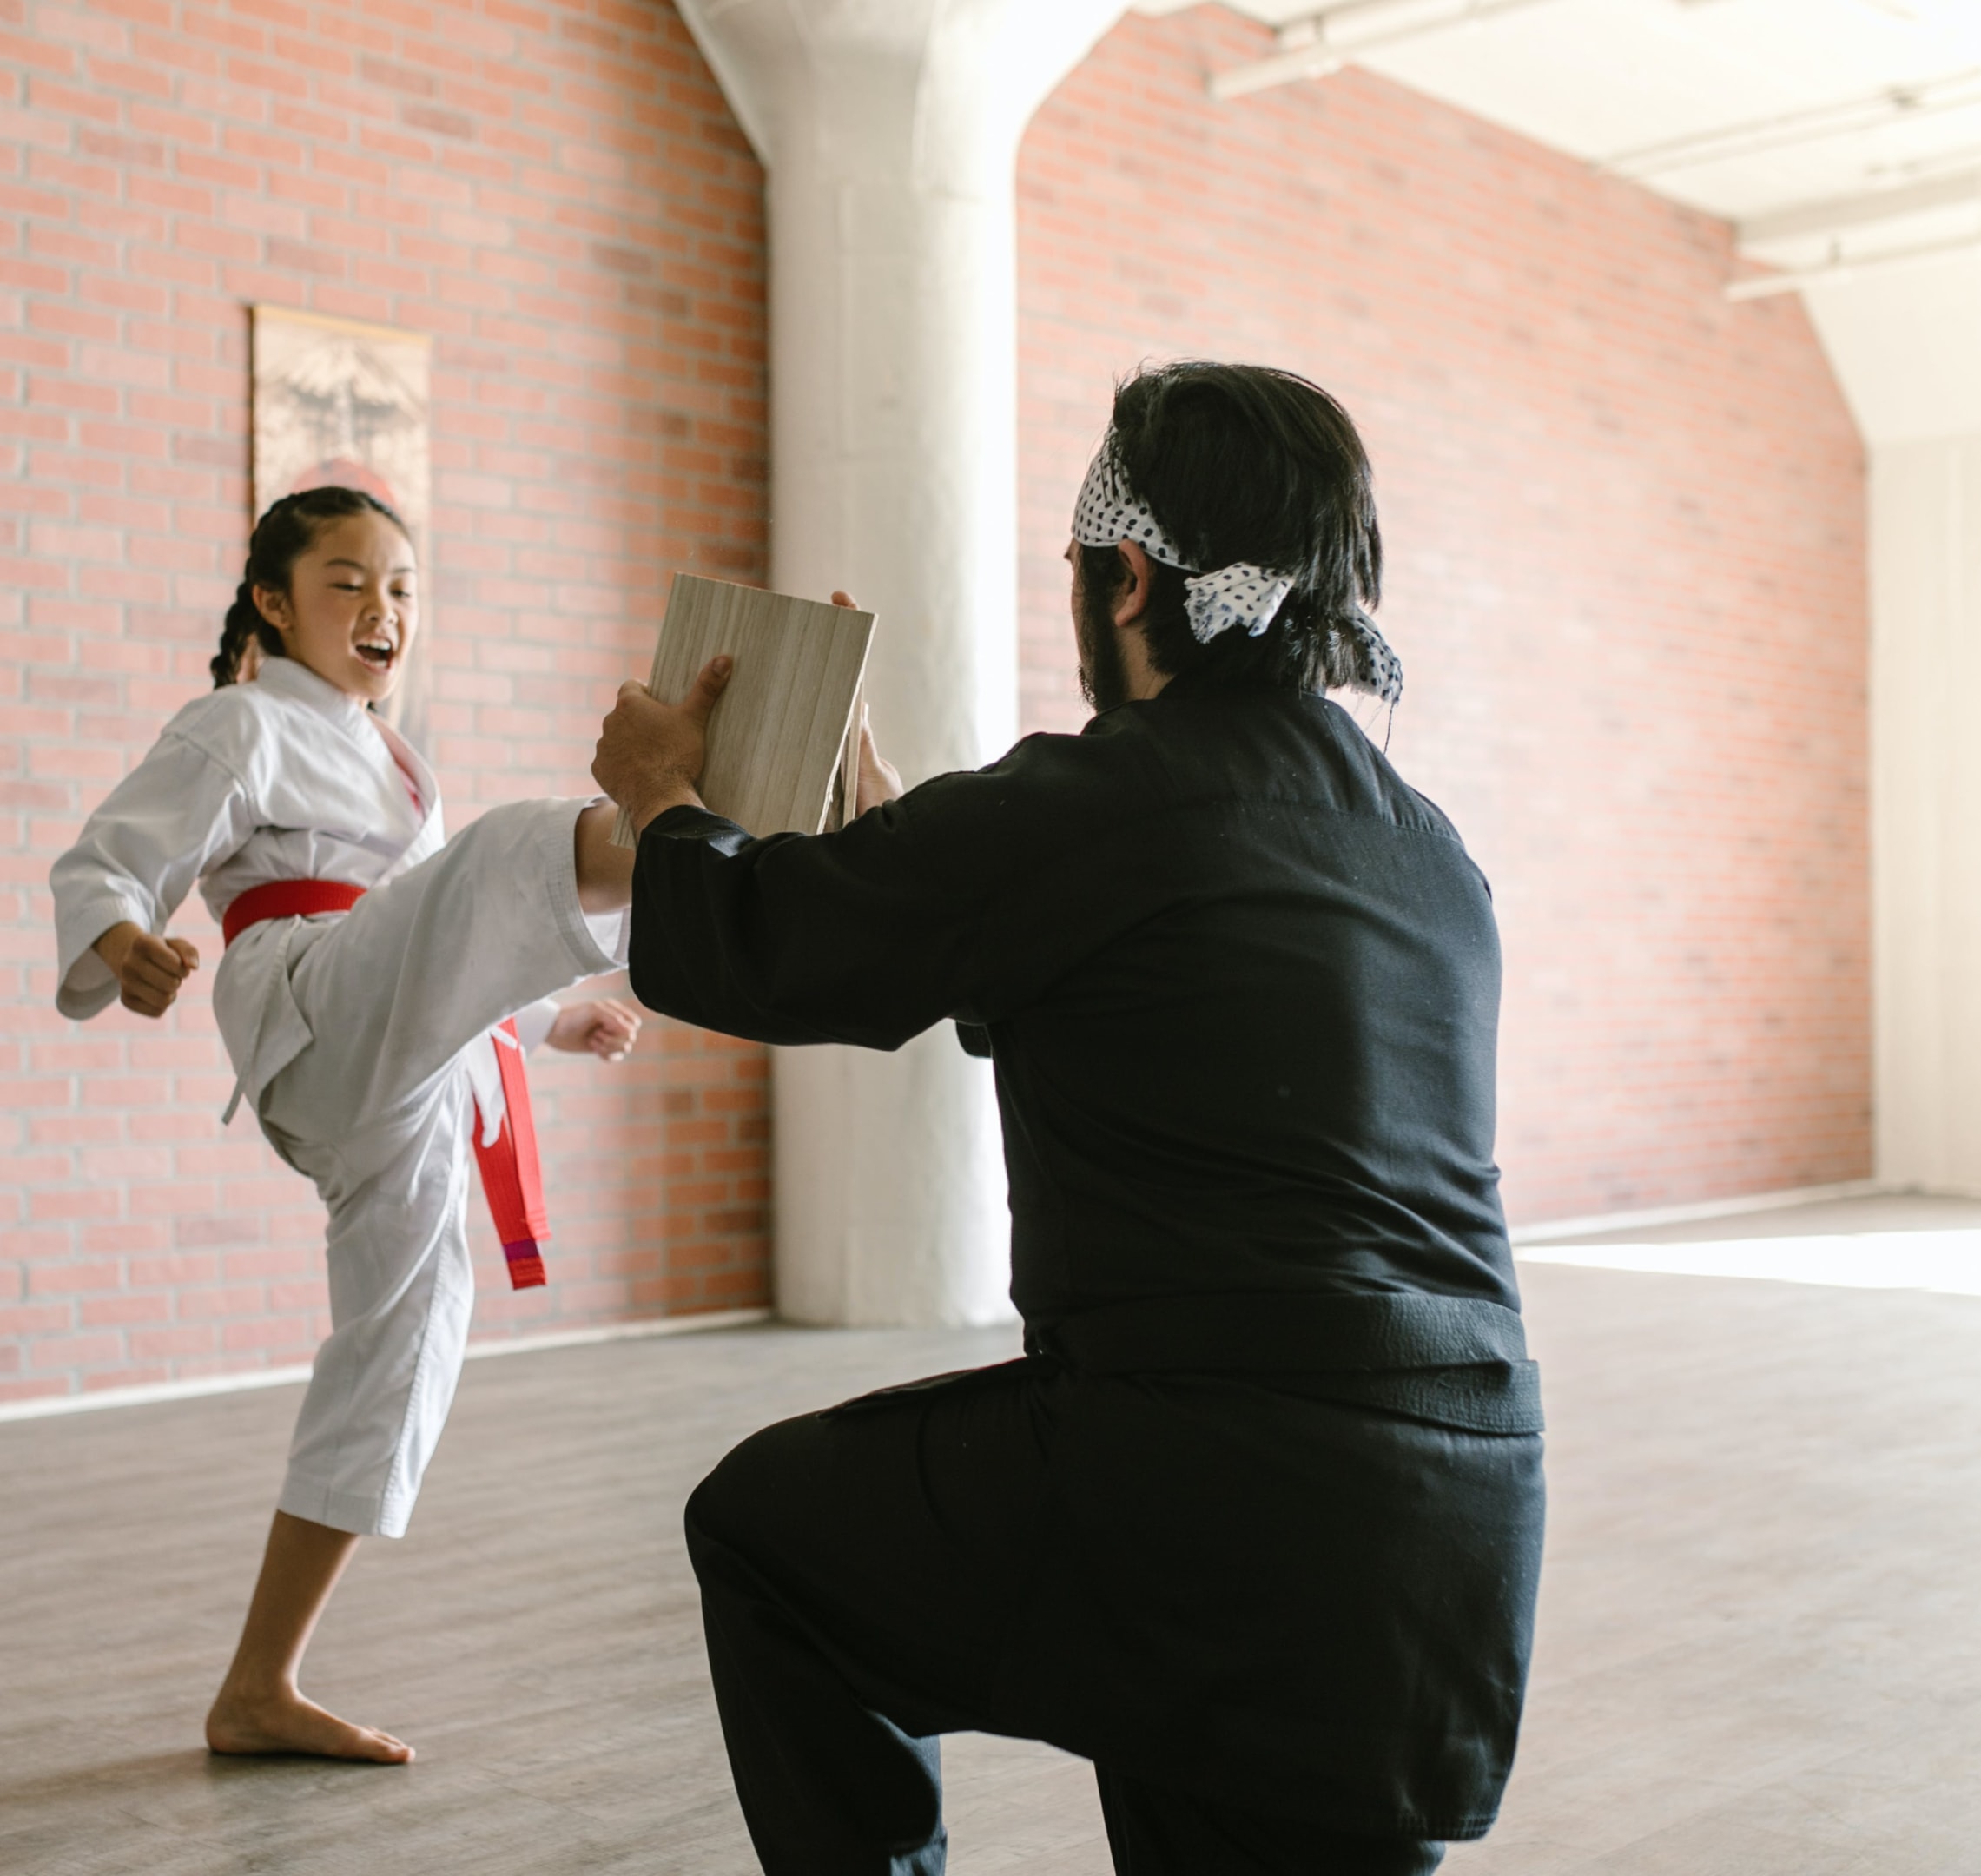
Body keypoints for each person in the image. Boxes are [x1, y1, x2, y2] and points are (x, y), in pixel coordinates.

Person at [591, 363, 1544, 1873]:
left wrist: (660, 801)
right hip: (1449, 1550)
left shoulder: (1103, 800)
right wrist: (897, 826)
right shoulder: (1425, 848)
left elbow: (758, 945)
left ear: (1124, 579)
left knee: (775, 1539)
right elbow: (1093, 984)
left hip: (1205, 1490)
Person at [51, 486, 645, 1763]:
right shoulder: (241, 721)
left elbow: (431, 951)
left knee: (407, 1335)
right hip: (311, 1005)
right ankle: (684, 836)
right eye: (348, 581)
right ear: (274, 601)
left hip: (395, 1061)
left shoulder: (394, 758)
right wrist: (122, 940)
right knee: (500, 856)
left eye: (403, 588)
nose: (383, 610)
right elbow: (106, 855)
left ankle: (260, 1685)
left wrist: (551, 1020)